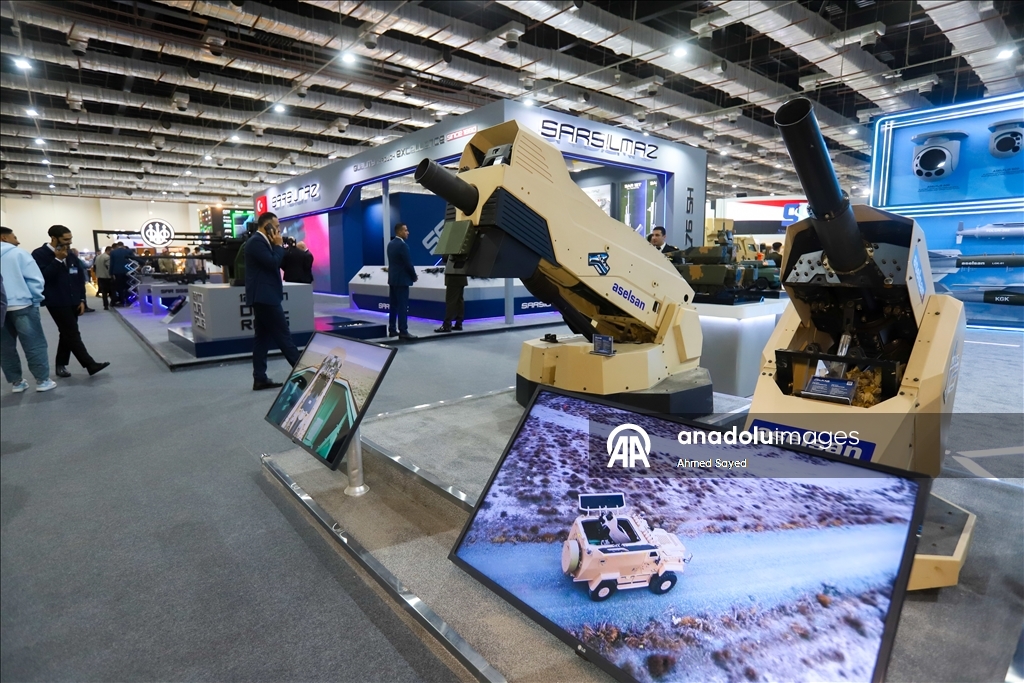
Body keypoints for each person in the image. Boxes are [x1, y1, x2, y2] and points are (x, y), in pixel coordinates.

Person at [31, 225, 109, 378]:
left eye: (70, 239)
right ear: (54, 238)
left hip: (74, 300)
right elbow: (43, 277)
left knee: (66, 333)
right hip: (56, 301)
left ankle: (60, 364)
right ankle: (90, 364)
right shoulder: (39, 254)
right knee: (72, 333)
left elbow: (79, 278)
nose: (69, 242)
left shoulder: (71, 254)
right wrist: (58, 260)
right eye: (66, 239)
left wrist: (82, 299)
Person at [244, 212, 301, 391]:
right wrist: (278, 245)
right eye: (276, 227)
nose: (278, 230)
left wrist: (278, 246)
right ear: (266, 226)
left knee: (261, 339)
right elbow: (272, 262)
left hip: (265, 296)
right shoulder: (256, 242)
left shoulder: (262, 242)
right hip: (265, 297)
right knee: (284, 336)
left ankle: (259, 378)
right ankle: (306, 375)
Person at [1, 227, 55, 392]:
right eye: (14, 237)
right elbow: (35, 279)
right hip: (23, 303)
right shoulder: (19, 253)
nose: (17, 241)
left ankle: (16, 383)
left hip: (1, 309)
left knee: (4, 347)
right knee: (34, 343)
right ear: (4, 237)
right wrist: (36, 299)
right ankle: (42, 380)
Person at [386, 222, 418, 340]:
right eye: (405, 230)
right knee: (402, 306)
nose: (407, 232)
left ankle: (392, 329)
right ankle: (403, 331)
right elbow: (408, 263)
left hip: (393, 279)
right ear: (399, 232)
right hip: (402, 280)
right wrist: (414, 276)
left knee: (393, 306)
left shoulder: (390, 244)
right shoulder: (403, 245)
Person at [435, 257, 467, 333]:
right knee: (459, 300)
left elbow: (445, 257)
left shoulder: (453, 250)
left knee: (451, 301)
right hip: (462, 274)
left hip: (453, 275)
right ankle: (459, 323)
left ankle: (447, 325)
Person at [109, 241, 133, 306]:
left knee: (119, 287)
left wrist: (111, 273)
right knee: (128, 286)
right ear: (123, 245)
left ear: (117, 246)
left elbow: (111, 263)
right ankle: (128, 300)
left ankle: (122, 301)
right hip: (127, 271)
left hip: (117, 272)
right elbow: (133, 259)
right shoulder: (128, 251)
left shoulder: (113, 252)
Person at [94, 246, 112, 310]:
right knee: (111, 290)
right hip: (106, 276)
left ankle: (105, 305)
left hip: (99, 276)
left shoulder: (98, 257)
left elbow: (95, 266)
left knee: (104, 292)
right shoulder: (107, 257)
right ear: (108, 251)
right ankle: (112, 303)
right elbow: (109, 267)